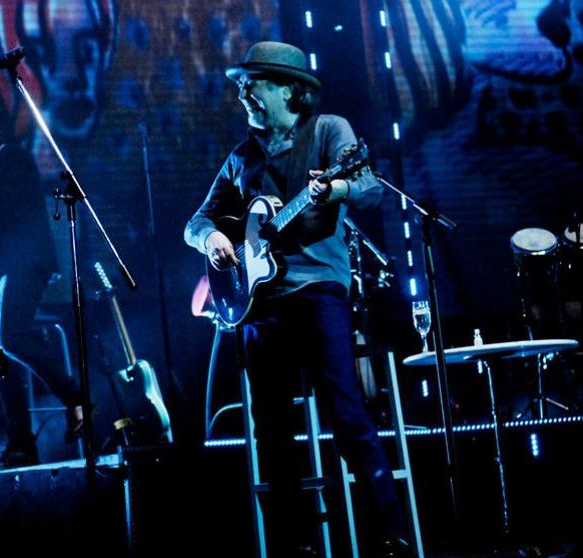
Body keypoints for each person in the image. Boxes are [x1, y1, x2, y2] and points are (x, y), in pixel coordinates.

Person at [184, 42, 413, 557]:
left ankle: (390, 532)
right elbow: (195, 221)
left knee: (346, 412)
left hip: (319, 291)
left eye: (253, 84)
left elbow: (369, 187)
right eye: (241, 85)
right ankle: (294, 542)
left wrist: (334, 191)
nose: (243, 94)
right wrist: (212, 238)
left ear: (289, 90)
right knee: (270, 428)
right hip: (262, 307)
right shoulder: (241, 157)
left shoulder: (329, 132)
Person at [0, 100, 84, 471]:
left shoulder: (12, 158)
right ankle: (20, 443)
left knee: (11, 339)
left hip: (27, 262)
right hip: (5, 269)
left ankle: (75, 396)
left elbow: (6, 209)